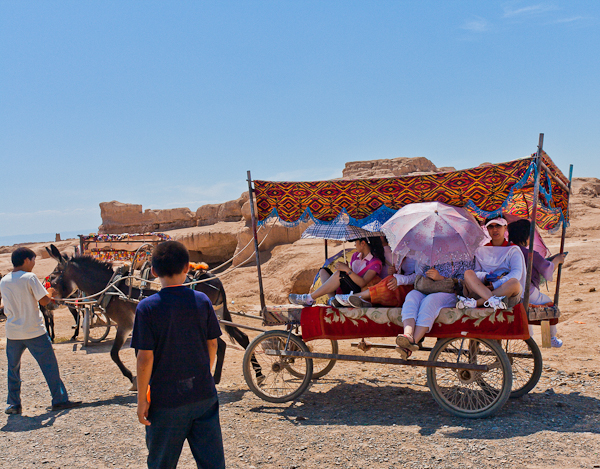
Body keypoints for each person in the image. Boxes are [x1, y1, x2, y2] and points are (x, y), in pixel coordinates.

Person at [132, 241, 225, 469]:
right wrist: (206, 372)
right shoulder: (202, 300)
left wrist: (142, 398)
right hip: (203, 395)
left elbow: (144, 359)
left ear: (153, 271)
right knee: (212, 463)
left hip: (165, 401)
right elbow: (212, 344)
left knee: (161, 463)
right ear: (187, 268)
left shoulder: (146, 308)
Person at [0, 247, 82, 415]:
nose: (34, 263)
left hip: (13, 332)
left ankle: (14, 404)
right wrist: (50, 291)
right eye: (33, 260)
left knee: (13, 369)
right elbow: (45, 301)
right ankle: (59, 400)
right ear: (26, 260)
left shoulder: (4, 280)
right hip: (34, 331)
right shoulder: (29, 277)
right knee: (49, 366)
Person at [395, 259, 474, 359]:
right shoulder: (431, 252)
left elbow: (464, 282)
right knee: (411, 296)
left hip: (450, 293)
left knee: (430, 301)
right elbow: (419, 274)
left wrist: (441, 278)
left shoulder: (463, 256)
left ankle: (411, 344)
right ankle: (408, 335)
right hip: (427, 288)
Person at [508, 218, 566, 347]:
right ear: (527, 236)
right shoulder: (530, 254)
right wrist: (557, 260)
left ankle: (530, 341)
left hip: (508, 292)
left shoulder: (507, 249)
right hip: (526, 291)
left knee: (526, 309)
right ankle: (550, 338)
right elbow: (547, 269)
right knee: (549, 306)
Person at [288, 237, 385, 306]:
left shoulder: (375, 263)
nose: (354, 245)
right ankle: (332, 299)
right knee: (323, 271)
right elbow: (352, 274)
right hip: (350, 284)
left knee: (340, 274)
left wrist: (347, 270)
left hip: (357, 292)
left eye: (355, 242)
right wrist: (347, 269)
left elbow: (362, 283)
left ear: (363, 243)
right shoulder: (355, 256)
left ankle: (309, 298)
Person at [457, 215, 525, 311]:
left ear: (505, 227)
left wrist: (496, 284)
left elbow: (517, 273)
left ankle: (477, 303)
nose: (495, 230)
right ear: (487, 229)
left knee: (514, 283)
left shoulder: (513, 250)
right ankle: (493, 300)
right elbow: (476, 272)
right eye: (491, 226)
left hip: (503, 289)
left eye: (498, 226)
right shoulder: (481, 250)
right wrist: (485, 277)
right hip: (483, 288)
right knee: (468, 273)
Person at [334, 237, 416, 308]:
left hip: (409, 286)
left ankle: (355, 297)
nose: (355, 245)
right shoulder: (401, 251)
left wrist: (399, 279)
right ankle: (359, 299)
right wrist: (395, 273)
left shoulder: (421, 253)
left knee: (388, 280)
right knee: (381, 280)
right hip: (397, 282)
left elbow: (418, 276)